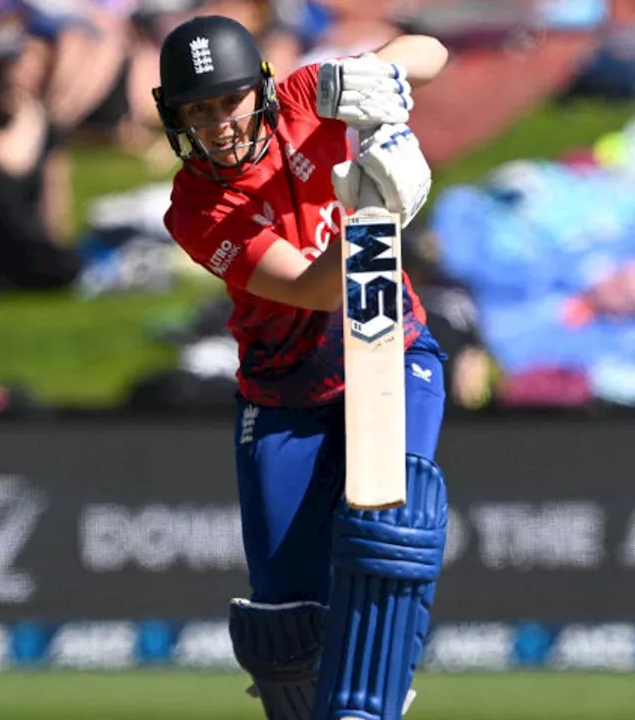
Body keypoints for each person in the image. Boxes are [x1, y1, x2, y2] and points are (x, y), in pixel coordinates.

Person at [152, 15, 450, 720]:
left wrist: (378, 81)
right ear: (176, 117)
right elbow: (314, 287)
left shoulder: (305, 95)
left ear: (258, 91)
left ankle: (376, 695)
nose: (218, 123)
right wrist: (378, 213)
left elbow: (431, 49)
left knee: (389, 528)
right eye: (198, 109)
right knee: (282, 633)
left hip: (390, 348)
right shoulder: (195, 208)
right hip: (287, 394)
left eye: (229, 101)